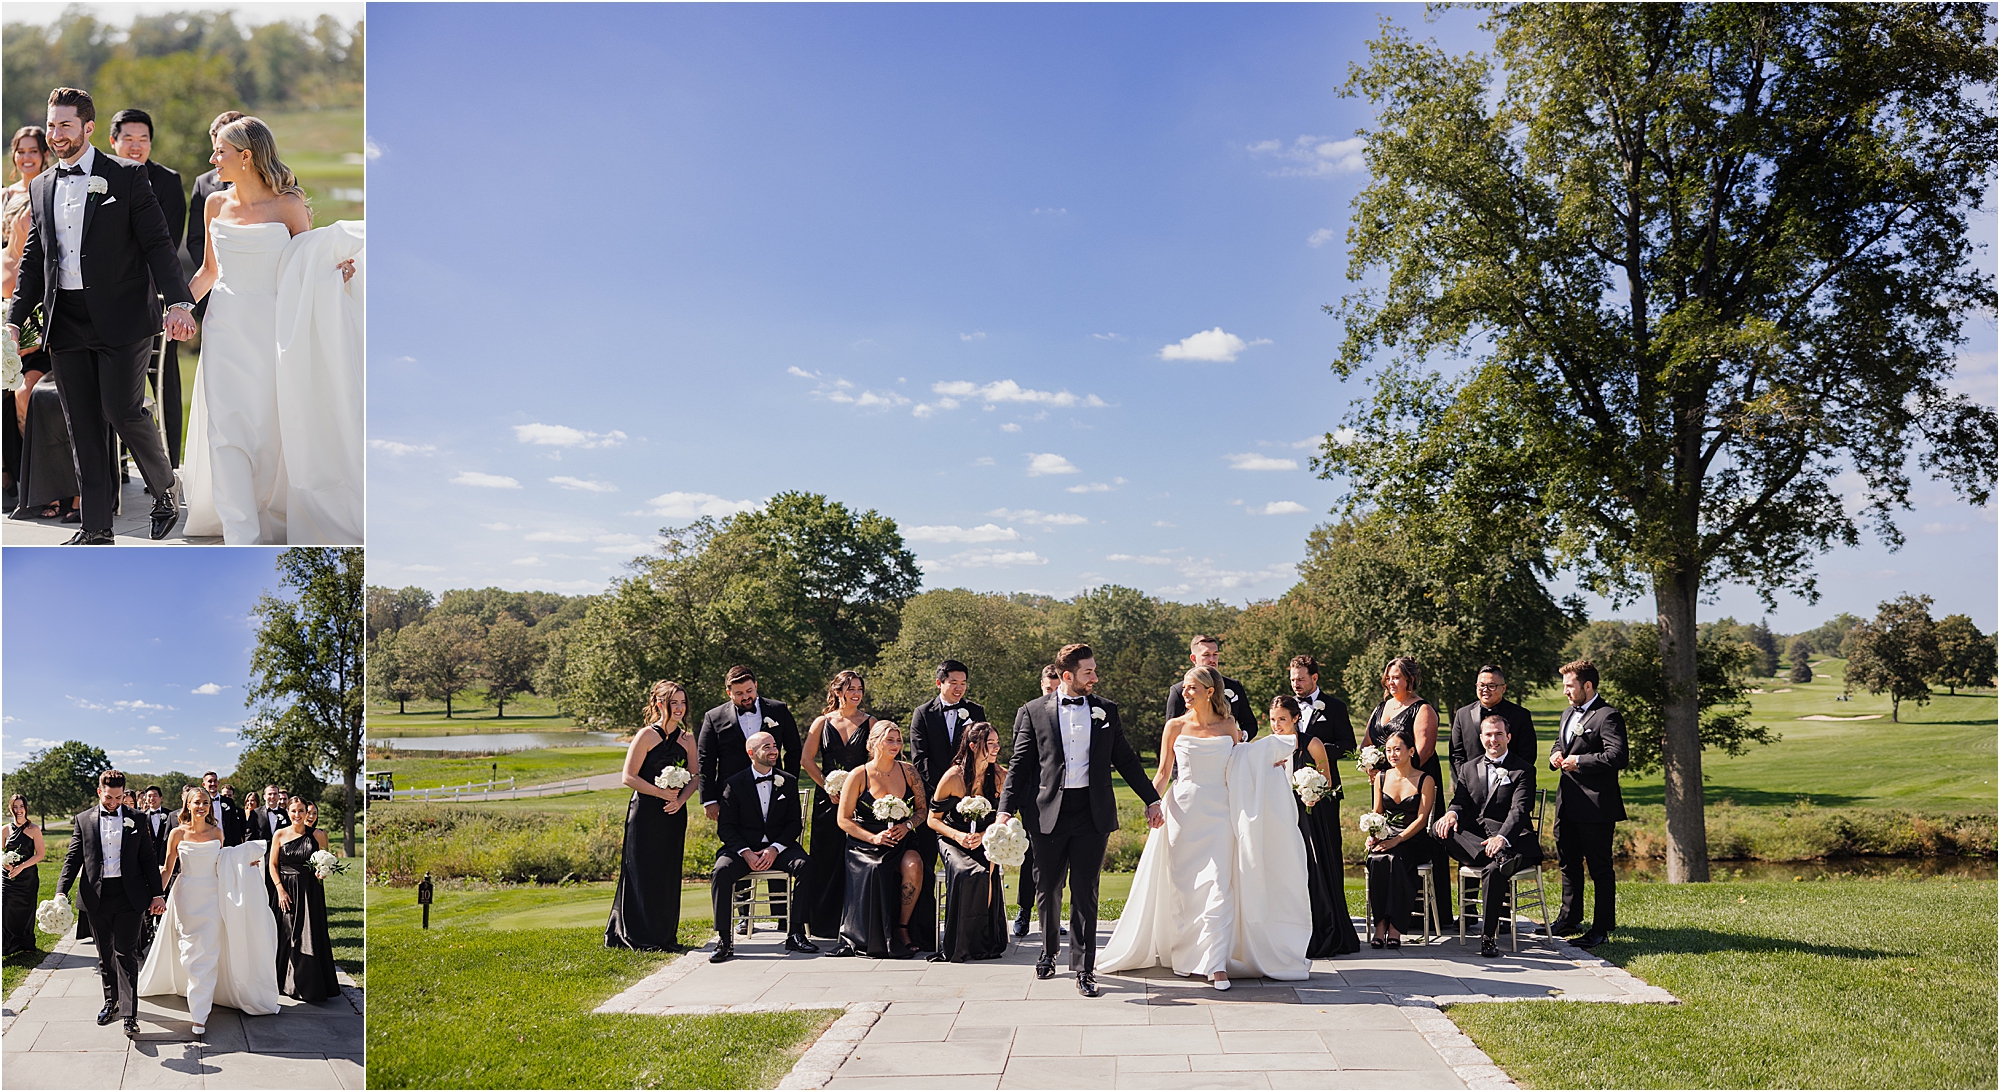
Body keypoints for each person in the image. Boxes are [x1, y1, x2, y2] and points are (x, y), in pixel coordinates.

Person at [5, 88, 193, 544]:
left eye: (65, 125)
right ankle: (96, 528)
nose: (56, 134)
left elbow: (157, 244)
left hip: (123, 317)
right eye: (52, 125)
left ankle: (165, 486)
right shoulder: (41, 186)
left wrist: (179, 301)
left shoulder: (126, 176)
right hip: (65, 320)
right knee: (82, 424)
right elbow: (33, 260)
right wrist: (14, 319)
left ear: (88, 128)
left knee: (122, 411)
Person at [1102, 666, 1312, 987]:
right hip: (1182, 812)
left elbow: (1242, 761)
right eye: (1185, 688)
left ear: (1210, 691)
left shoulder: (1229, 725)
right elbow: (1163, 773)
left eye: (1192, 688)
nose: (1185, 693)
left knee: (1217, 884)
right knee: (1186, 889)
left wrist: (1269, 762)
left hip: (1221, 812)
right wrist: (1152, 803)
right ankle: (1185, 956)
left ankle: (1215, 964)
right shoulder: (1174, 726)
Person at [995, 644, 1164, 997]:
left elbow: (1126, 759)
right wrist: (1005, 811)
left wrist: (1152, 799)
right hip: (1047, 813)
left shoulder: (1106, 710)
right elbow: (1020, 766)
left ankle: (1084, 968)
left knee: (1086, 891)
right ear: (1067, 676)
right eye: (1089, 672)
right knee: (1047, 887)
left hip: (1092, 811)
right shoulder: (1032, 712)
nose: (1095, 678)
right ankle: (1048, 951)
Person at [179, 115, 308, 543]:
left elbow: (306, 270)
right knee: (226, 430)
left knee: (267, 431)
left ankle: (263, 513)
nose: (212, 159)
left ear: (247, 156)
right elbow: (208, 271)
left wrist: (337, 271)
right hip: (224, 329)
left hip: (273, 330)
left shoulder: (289, 206)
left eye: (221, 152)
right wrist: (179, 306)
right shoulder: (215, 204)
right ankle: (240, 532)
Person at [137, 785, 280, 1035]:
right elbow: (168, 868)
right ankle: (194, 990)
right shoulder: (177, 833)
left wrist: (245, 864)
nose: (202, 806)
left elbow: (223, 862)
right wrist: (155, 896)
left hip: (212, 897)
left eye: (205, 802)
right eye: (197, 802)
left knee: (209, 951)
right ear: (188, 805)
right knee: (190, 950)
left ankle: (199, 1014)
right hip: (186, 896)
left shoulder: (217, 832)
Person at [57, 771, 166, 1037]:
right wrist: (61, 892)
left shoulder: (137, 818)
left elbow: (148, 858)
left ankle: (130, 1014)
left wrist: (158, 894)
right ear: (99, 792)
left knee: (125, 954)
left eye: (118, 798)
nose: (114, 803)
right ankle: (111, 1002)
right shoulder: (83, 820)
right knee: (105, 955)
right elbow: (73, 858)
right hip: (96, 897)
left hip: (130, 896)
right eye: (109, 797)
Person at [108, 107, 188, 468]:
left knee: (164, 379)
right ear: (113, 141)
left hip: (153, 297)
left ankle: (169, 463)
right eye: (128, 139)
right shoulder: (99, 176)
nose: (136, 146)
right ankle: (119, 464)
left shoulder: (167, 181)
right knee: (114, 386)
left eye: (143, 139)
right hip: (108, 297)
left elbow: (165, 243)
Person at [1433, 714, 1542, 956]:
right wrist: (1451, 813)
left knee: (1493, 871)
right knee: (1439, 828)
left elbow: (1519, 810)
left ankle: (1488, 937)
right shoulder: (1468, 768)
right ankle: (1498, 856)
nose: (1494, 740)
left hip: (1514, 840)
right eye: (1489, 735)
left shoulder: (1523, 770)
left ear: (1508, 737)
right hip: (1480, 841)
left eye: (1499, 734)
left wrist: (1502, 838)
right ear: (1481, 738)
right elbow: (1460, 801)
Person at [606, 680, 699, 952]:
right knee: (642, 871)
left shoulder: (688, 739)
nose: (680, 708)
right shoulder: (646, 735)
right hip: (645, 814)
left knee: (667, 873)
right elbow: (629, 777)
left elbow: (695, 776)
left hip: (673, 815)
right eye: (673, 703)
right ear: (659, 704)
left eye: (683, 703)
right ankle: (637, 935)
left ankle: (664, 936)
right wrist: (661, 793)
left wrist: (679, 800)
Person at [2, 124, 66, 520]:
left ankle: (38, 483)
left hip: (42, 332)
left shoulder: (49, 193)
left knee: (23, 391)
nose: (26, 156)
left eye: (33, 150)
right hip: (9, 320)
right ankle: (8, 476)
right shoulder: (4, 198)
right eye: (20, 150)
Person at [830, 721, 934, 958]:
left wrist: (907, 826)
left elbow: (922, 810)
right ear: (874, 742)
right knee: (876, 868)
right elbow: (843, 819)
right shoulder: (859, 775)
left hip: (901, 838)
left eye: (898, 740)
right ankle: (872, 933)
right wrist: (873, 838)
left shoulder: (908, 771)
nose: (896, 745)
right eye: (890, 740)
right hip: (865, 842)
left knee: (914, 864)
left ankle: (903, 928)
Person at [709, 731, 815, 963]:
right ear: (751, 753)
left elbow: (794, 824)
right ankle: (724, 940)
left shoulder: (788, 781)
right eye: (766, 747)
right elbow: (726, 828)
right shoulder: (733, 784)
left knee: (805, 865)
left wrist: (774, 849)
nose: (773, 750)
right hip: (743, 850)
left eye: (774, 745)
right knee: (721, 871)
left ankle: (796, 933)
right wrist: (746, 853)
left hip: (779, 849)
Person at [1363, 657, 1453, 924]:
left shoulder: (1423, 709)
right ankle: (1386, 913)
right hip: (1384, 786)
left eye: (1397, 677)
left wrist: (1394, 775)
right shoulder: (1381, 707)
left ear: (1410, 680)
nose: (1391, 682)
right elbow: (1366, 743)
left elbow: (1424, 751)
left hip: (1415, 785)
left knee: (1410, 847)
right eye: (1388, 677)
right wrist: (1371, 768)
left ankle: (1421, 915)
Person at [1270, 694, 1361, 957]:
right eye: (1273, 720)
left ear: (1295, 718)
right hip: (1279, 818)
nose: (1277, 725)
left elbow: (1327, 781)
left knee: (1312, 871)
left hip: (1308, 818)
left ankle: (1321, 932)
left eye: (1282, 719)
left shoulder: (1312, 744)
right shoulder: (1269, 746)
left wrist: (1312, 793)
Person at [1547, 659, 1626, 950]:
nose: (1565, 692)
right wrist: (1556, 755)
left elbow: (1617, 756)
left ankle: (1601, 929)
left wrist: (1579, 761)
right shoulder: (1568, 713)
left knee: (1599, 869)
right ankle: (1569, 918)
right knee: (1568, 863)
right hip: (1567, 803)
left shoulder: (1608, 716)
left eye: (1570, 686)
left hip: (1596, 807)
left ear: (1588, 685)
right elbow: (1561, 743)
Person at [926, 721, 1009, 962]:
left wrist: (983, 836)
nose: (996, 748)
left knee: (985, 871)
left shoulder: (1000, 776)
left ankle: (983, 940)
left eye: (997, 743)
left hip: (986, 837)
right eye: (989, 743)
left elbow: (1006, 816)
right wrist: (959, 836)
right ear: (973, 746)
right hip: (953, 838)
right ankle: (959, 941)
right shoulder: (954, 777)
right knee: (964, 872)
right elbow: (933, 820)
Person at [800, 670, 873, 940]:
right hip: (827, 800)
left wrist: (857, 791)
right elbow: (806, 760)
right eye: (851, 688)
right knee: (827, 858)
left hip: (860, 801)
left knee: (857, 858)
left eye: (859, 689)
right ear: (838, 691)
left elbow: (875, 762)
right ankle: (824, 925)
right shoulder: (822, 722)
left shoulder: (870, 723)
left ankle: (858, 921)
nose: (856, 693)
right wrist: (827, 786)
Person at [699, 665, 802, 821]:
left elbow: (794, 750)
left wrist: (789, 783)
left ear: (756, 685)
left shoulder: (779, 710)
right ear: (729, 693)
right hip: (732, 794)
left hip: (773, 789)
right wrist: (709, 799)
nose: (746, 697)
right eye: (739, 693)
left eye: (749, 691)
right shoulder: (714, 718)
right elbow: (705, 759)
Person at [1364, 729, 1435, 949]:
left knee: (1396, 859)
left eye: (1397, 749)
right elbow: (1377, 812)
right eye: (1388, 750)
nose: (1392, 754)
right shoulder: (1381, 778)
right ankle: (1380, 925)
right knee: (1376, 859)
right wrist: (1373, 835)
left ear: (1411, 751)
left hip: (1414, 839)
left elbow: (1422, 819)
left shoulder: (1425, 779)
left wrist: (1398, 840)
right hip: (1388, 835)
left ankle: (1395, 926)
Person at [1011, 664, 1063, 938]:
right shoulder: (1028, 711)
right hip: (1033, 796)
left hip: (1062, 795)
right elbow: (1020, 758)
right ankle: (1024, 911)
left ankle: (1052, 915)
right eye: (1048, 689)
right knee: (1031, 857)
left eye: (1057, 688)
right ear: (1041, 686)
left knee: (1059, 859)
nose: (1052, 694)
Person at [270, 796, 339, 1001]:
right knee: (287, 934)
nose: (298, 815)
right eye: (294, 811)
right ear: (288, 812)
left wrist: (323, 872)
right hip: (286, 890)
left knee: (309, 934)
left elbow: (325, 861)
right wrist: (280, 890)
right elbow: (273, 865)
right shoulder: (280, 834)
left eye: (302, 811)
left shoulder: (317, 835)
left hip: (310, 891)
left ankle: (311, 984)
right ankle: (284, 981)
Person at [909, 659, 987, 794]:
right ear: (939, 683)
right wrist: (943, 785)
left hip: (969, 787)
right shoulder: (923, 713)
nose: (959, 688)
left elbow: (982, 749)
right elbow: (919, 757)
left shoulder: (975, 711)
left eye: (963, 683)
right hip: (934, 790)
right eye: (954, 683)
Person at [1163, 634, 1259, 742]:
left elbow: (1250, 725)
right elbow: (1171, 735)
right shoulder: (1179, 691)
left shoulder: (1234, 686)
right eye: (1206, 655)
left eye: (1215, 654)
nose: (1212, 660)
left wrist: (1240, 736)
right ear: (1193, 658)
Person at [1449, 665, 1537, 777]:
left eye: (1491, 686)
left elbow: (1528, 753)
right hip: (1471, 783)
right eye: (1481, 685)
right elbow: (1456, 754)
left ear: (1503, 688)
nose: (1485, 690)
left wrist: (1510, 779)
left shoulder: (1520, 715)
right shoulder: (1463, 714)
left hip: (1510, 781)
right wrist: (1466, 779)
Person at [3, 794, 47, 956]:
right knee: (5, 908)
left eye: (21, 806)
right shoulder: (5, 830)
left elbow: (40, 854)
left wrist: (21, 867)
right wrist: (5, 863)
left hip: (27, 878)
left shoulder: (34, 829)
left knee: (26, 911)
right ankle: (6, 945)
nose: (18, 810)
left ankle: (26, 944)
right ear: (10, 809)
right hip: (8, 878)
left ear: (26, 808)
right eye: (15, 807)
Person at [202, 772, 245, 846]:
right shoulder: (201, 803)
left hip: (227, 843)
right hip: (207, 843)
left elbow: (234, 825)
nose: (213, 783)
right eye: (210, 781)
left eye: (215, 781)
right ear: (204, 784)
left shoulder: (229, 802)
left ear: (218, 783)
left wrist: (237, 845)